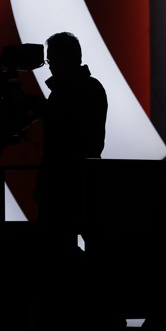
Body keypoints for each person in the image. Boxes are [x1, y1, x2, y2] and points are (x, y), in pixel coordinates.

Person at [34, 32, 108, 243]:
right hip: (86, 181)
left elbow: (59, 140)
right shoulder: (92, 87)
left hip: (63, 185)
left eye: (51, 60)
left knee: (57, 251)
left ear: (60, 60)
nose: (49, 66)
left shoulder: (65, 92)